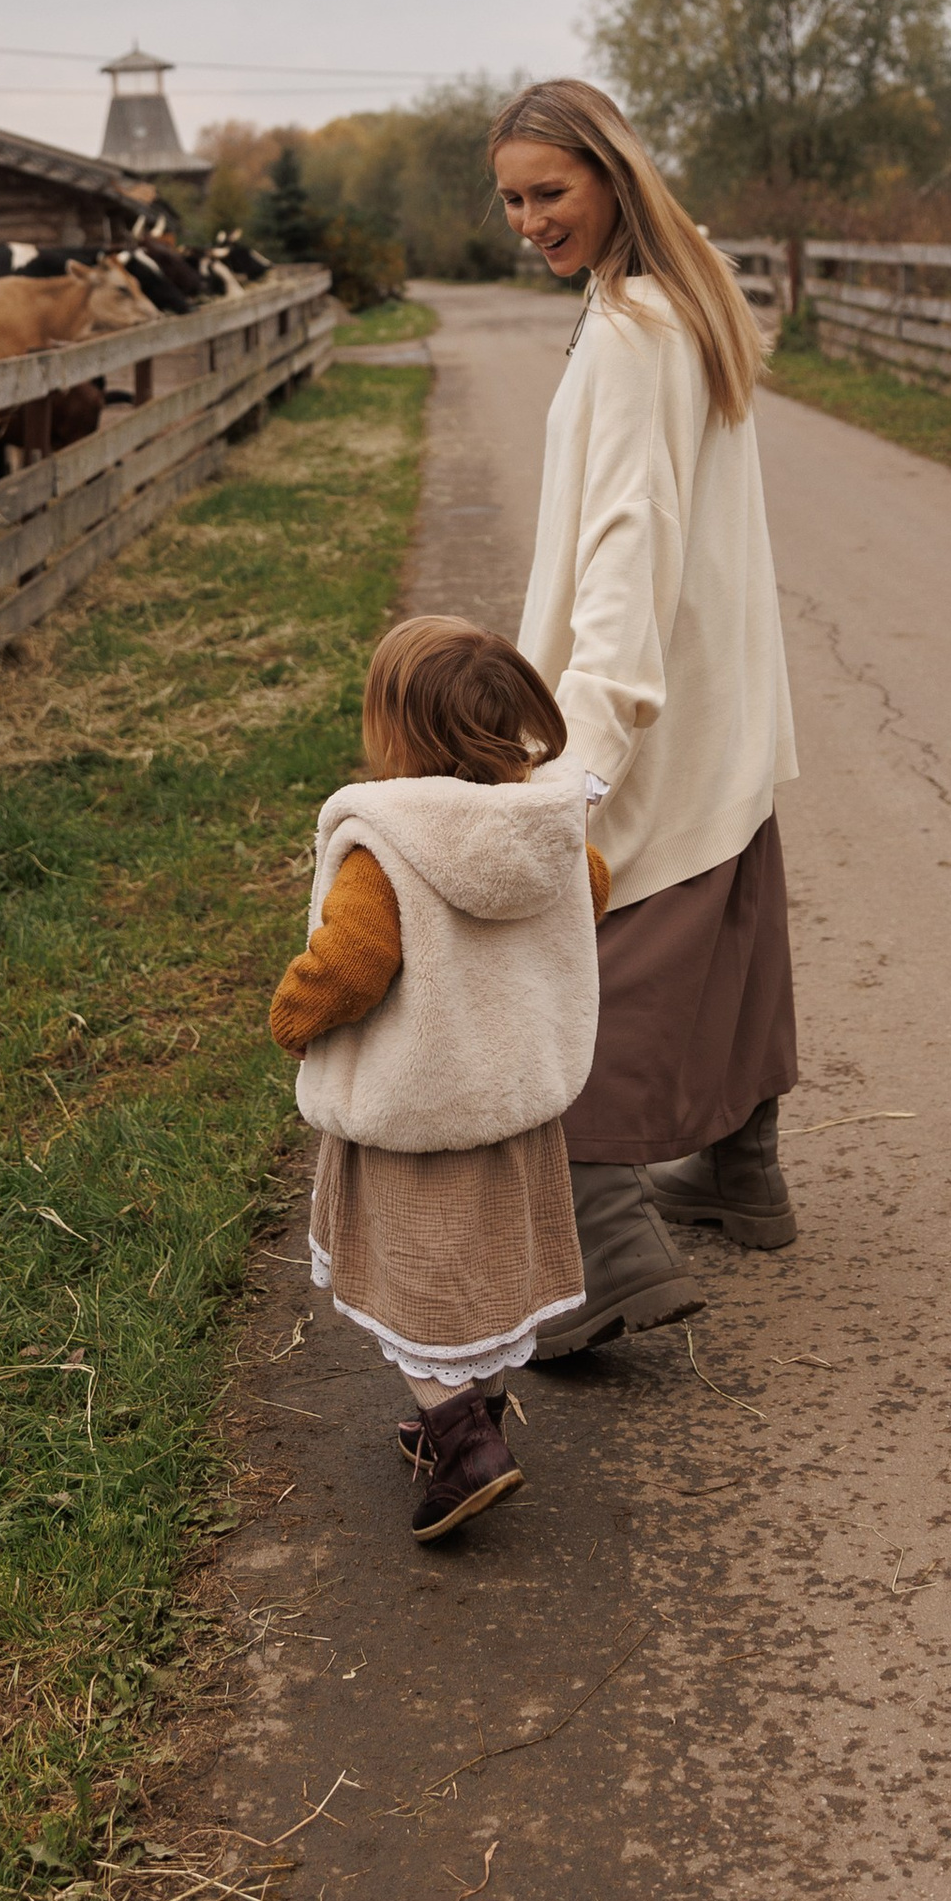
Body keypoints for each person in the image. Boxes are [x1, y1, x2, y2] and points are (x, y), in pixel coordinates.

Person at [489, 79, 800, 1351]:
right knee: (727, 920)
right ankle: (738, 1171)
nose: (528, 221)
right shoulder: (693, 291)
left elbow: (628, 540)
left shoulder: (630, 324)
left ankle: (606, 1257)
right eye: (510, 199)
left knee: (590, 961)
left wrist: (586, 747)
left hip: (650, 695)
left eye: (549, 193)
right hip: (720, 683)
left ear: (613, 175)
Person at [271, 615, 608, 1543]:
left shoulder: (389, 848)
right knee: (489, 1280)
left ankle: (462, 1441)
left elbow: (351, 964)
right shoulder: (545, 835)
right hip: (509, 1113)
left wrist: (294, 1014)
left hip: (418, 1118)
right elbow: (595, 890)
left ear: (395, 731)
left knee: (414, 1288)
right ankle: (469, 1417)